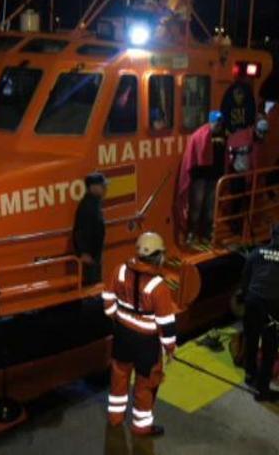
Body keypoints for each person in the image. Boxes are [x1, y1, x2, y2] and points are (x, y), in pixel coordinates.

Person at [103, 232, 178, 437]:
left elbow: (108, 299)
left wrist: (117, 319)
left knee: (119, 376)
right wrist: (170, 348)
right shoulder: (159, 287)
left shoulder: (119, 270)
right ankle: (141, 426)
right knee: (146, 385)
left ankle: (115, 418)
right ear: (158, 256)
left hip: (122, 335)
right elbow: (166, 323)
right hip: (146, 343)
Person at [240, 223, 279, 402]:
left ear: (270, 234)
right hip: (272, 307)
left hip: (253, 302)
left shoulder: (256, 253)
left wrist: (247, 298)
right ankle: (262, 390)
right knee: (269, 348)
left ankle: (250, 375)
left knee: (251, 340)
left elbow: (245, 279)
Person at [177, 110, 227, 245]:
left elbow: (224, 157)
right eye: (217, 122)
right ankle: (191, 234)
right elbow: (193, 156)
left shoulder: (223, 136)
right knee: (196, 208)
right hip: (199, 177)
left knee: (210, 208)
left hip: (214, 177)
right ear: (210, 122)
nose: (219, 125)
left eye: (220, 122)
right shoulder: (200, 135)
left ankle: (206, 235)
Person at [73, 173, 108, 285]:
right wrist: (84, 252)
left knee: (95, 285)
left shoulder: (94, 203)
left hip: (94, 255)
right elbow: (79, 231)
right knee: (92, 288)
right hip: (90, 257)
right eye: (101, 186)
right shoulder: (87, 206)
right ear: (92, 187)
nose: (104, 188)